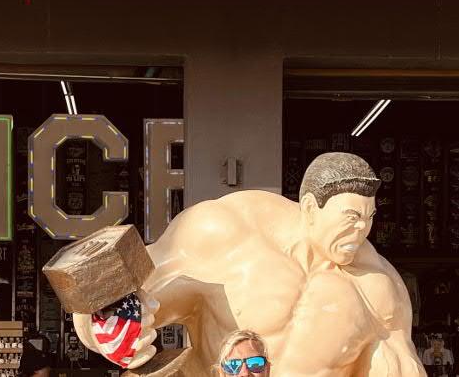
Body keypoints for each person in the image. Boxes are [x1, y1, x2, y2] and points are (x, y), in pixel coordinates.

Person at [70, 152, 425, 376]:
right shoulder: (226, 231)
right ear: (310, 208)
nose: (362, 230)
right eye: (350, 217)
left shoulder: (378, 288)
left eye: (369, 218)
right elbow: (112, 294)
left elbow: (400, 367)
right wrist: (105, 328)